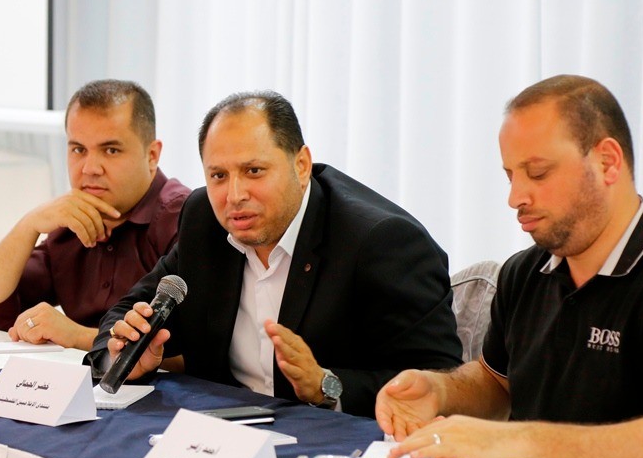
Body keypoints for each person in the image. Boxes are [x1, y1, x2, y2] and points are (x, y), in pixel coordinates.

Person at [377, 75, 643, 458]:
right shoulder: (525, 273)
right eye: (510, 176)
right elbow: (498, 383)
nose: (515, 197)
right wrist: (440, 391)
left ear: (608, 162)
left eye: (537, 172)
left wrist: (515, 440)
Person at [84, 90, 461, 417]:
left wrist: (327, 385)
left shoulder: (381, 241)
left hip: (337, 445)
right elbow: (126, 312)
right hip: (223, 437)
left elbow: (440, 381)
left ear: (301, 165)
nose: (234, 196)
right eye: (218, 176)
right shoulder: (204, 220)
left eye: (253, 171)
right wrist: (122, 356)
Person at [0, 79, 190, 350]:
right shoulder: (74, 220)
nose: (90, 168)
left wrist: (77, 336)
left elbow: (198, 350)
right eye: (78, 149)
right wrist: (29, 225)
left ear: (152, 155)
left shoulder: (184, 218)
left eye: (111, 150)